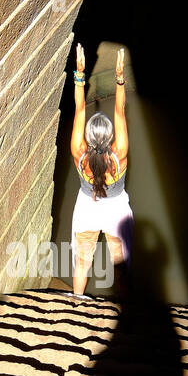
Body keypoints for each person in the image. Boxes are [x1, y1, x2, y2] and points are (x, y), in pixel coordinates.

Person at [69, 43, 133, 298]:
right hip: (116, 210)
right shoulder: (120, 154)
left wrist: (79, 75)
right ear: (110, 138)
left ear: (88, 138)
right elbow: (119, 110)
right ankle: (124, 313)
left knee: (82, 261)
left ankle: (76, 304)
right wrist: (119, 80)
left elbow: (80, 109)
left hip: (87, 207)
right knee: (120, 266)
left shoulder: (79, 153)